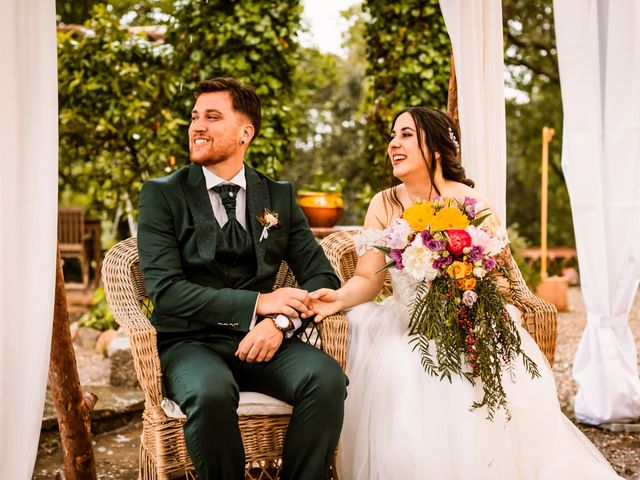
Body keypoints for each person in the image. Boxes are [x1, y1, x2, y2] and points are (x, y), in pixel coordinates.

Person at [309, 107, 622, 479]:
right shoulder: (384, 203)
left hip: (468, 316)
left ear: (436, 147)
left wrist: (464, 294)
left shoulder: (473, 204)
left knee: (479, 366)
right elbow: (369, 278)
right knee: (399, 364)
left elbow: (502, 280)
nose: (394, 143)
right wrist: (340, 298)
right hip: (405, 322)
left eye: (406, 134)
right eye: (393, 136)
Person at [137, 77, 346, 480]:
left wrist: (280, 324)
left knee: (326, 379)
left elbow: (323, 278)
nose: (197, 126)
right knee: (211, 393)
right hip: (189, 341)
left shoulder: (279, 196)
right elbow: (166, 293)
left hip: (262, 343)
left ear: (245, 132)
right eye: (195, 117)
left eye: (212, 117)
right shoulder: (163, 194)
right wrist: (258, 304)